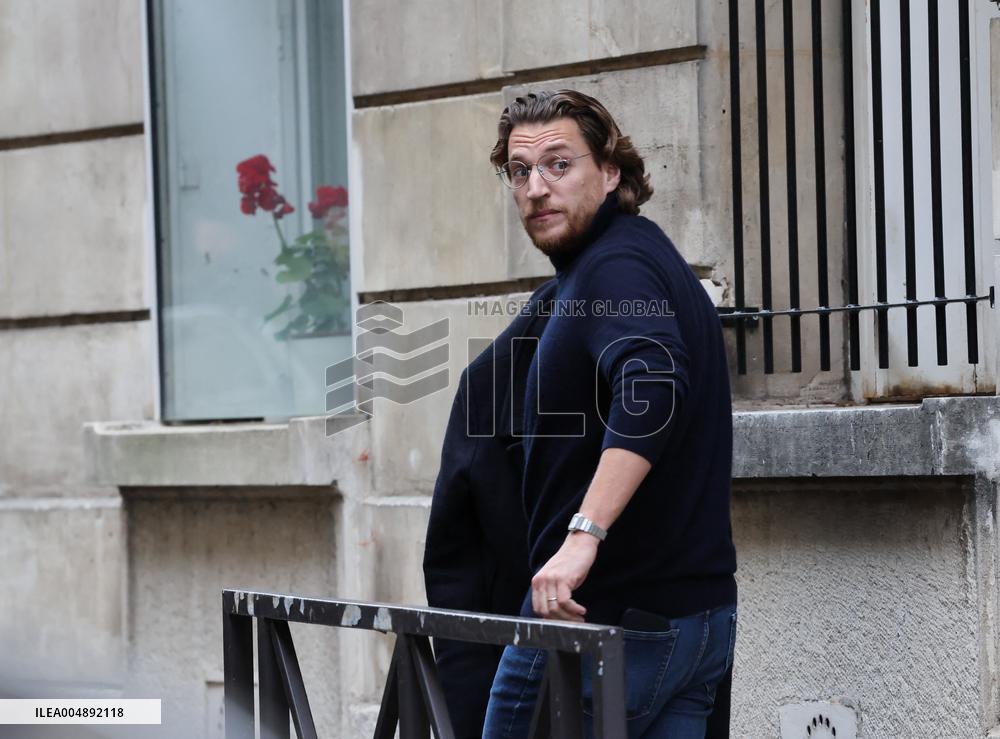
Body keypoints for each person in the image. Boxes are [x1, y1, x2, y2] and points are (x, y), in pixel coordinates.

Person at [478, 89, 738, 739]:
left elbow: (651, 384)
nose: (536, 187)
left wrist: (582, 535)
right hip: (692, 620)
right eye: (520, 171)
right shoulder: (642, 258)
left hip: (602, 623)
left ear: (612, 172)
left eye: (559, 165)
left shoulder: (615, 268)